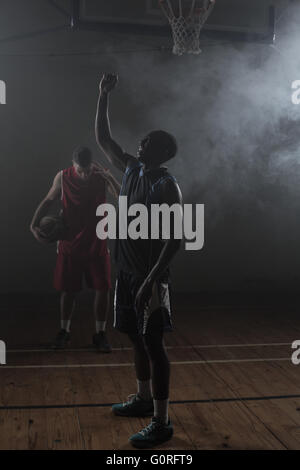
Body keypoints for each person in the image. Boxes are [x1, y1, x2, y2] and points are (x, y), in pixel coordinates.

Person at [95, 73, 182, 448]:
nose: (140, 143)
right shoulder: (131, 169)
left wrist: (150, 281)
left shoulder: (167, 185)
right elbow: (103, 139)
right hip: (127, 273)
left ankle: (162, 422)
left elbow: (176, 238)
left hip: (151, 279)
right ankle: (143, 399)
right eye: (142, 140)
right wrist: (102, 96)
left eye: (148, 142)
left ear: (162, 152)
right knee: (134, 338)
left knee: (154, 344)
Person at [30, 146, 120, 352]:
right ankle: (64, 331)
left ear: (92, 166)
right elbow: (48, 200)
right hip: (70, 243)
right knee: (68, 291)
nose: (84, 174)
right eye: (80, 170)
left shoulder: (100, 176)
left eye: (87, 170)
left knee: (103, 289)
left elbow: (121, 196)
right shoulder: (62, 177)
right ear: (73, 165)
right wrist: (32, 224)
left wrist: (110, 178)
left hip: (97, 242)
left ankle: (100, 333)